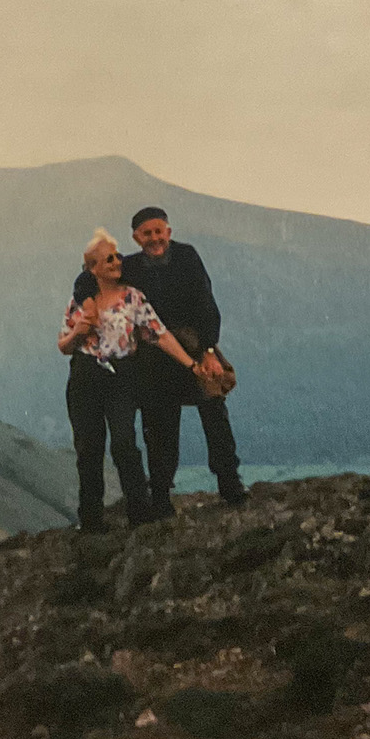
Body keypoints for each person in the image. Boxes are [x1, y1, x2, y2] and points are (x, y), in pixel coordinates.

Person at [73, 206, 246, 517]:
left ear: (169, 232)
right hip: (154, 353)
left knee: (213, 406)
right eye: (146, 233)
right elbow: (88, 277)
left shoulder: (188, 257)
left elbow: (206, 302)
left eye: (159, 231)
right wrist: (87, 301)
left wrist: (208, 350)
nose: (154, 238)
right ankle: (162, 493)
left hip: (192, 345)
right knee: (159, 420)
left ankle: (229, 481)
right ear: (136, 238)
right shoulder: (130, 266)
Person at [58, 228, 200, 533]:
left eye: (117, 255)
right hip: (85, 375)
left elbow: (158, 333)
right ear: (93, 269)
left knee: (124, 442)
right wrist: (78, 331)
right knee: (88, 448)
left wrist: (191, 364)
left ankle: (139, 510)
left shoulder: (132, 297)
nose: (116, 261)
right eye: (108, 259)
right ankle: (92, 520)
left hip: (121, 376)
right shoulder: (80, 301)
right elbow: (63, 345)